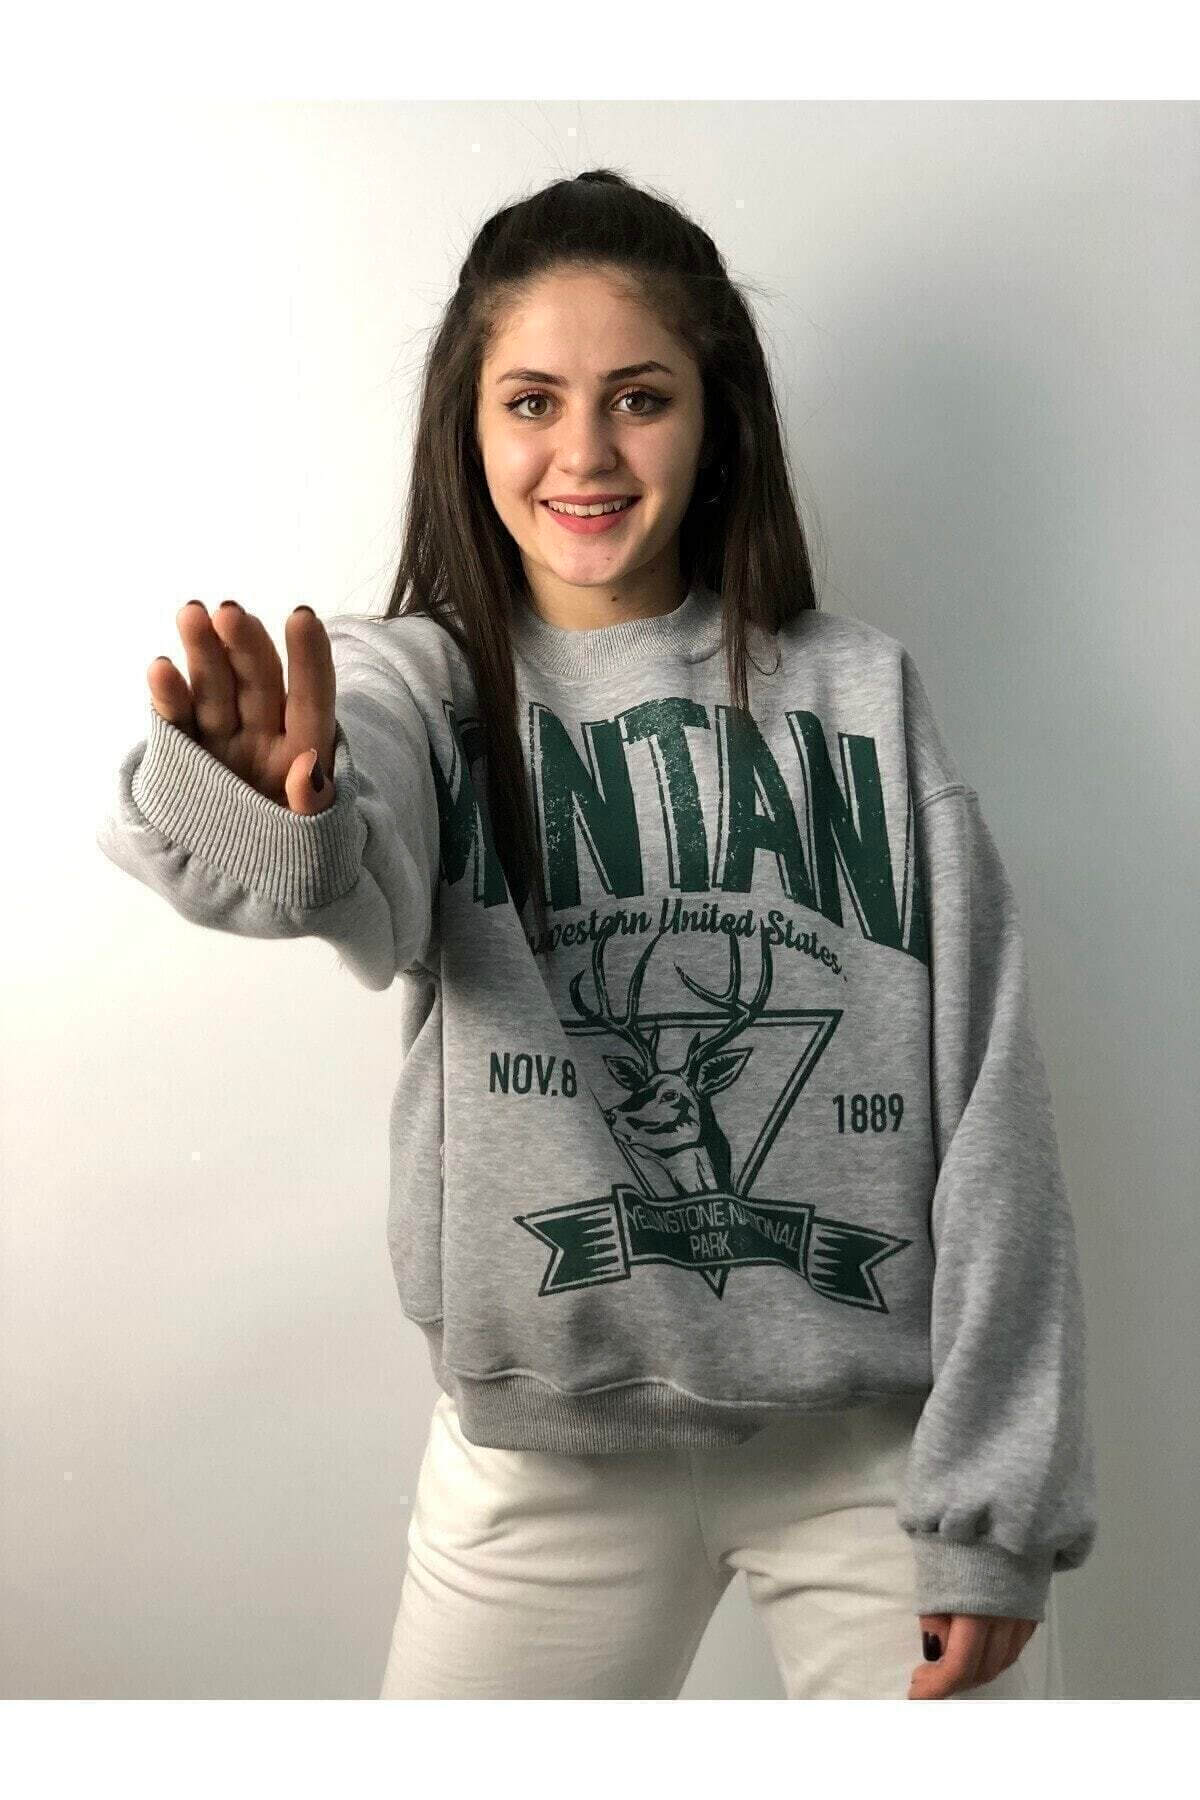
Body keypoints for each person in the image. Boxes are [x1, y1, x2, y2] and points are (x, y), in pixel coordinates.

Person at [96, 167, 1097, 1700]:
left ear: (715, 422)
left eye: (639, 397)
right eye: (532, 402)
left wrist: (996, 1504)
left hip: (870, 1452)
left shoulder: (861, 696)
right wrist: (262, 799)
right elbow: (332, 865)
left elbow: (989, 1100)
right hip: (541, 1461)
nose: (584, 452)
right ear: (470, 428)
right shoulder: (415, 687)